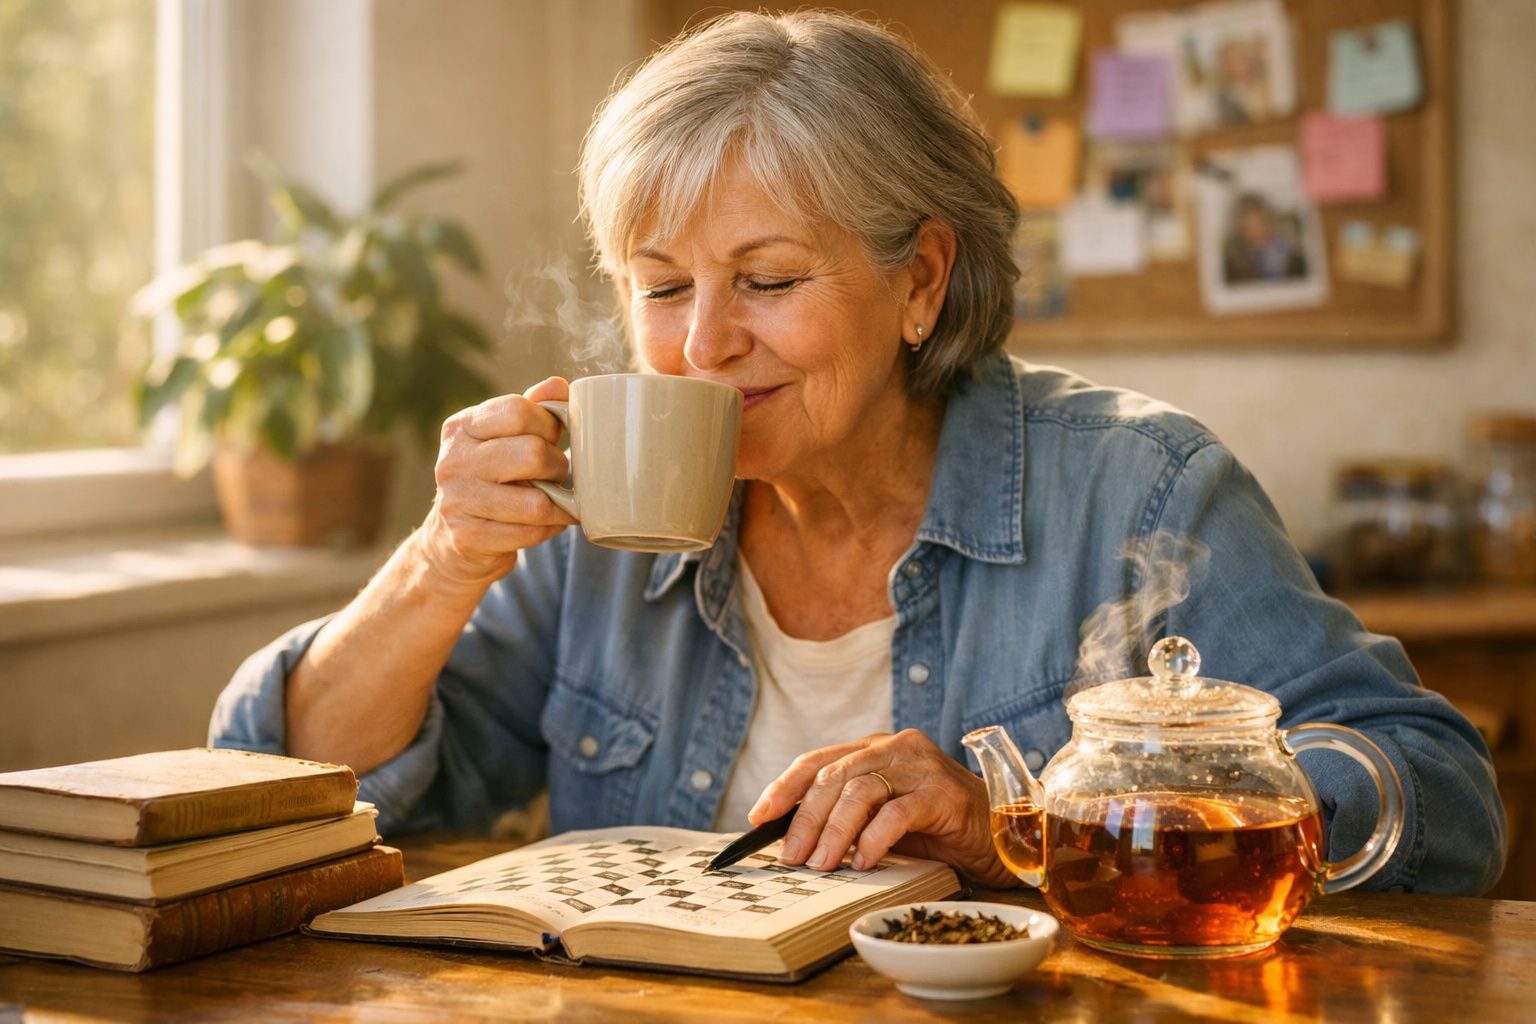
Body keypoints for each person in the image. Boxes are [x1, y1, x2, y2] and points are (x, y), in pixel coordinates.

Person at [209, 10, 1504, 894]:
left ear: (921, 280)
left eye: (768, 279)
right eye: (661, 288)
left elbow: (1438, 798)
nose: (703, 345)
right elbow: (283, 791)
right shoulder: (599, 515)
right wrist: (441, 561)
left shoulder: (1139, 491)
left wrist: (1025, 828)